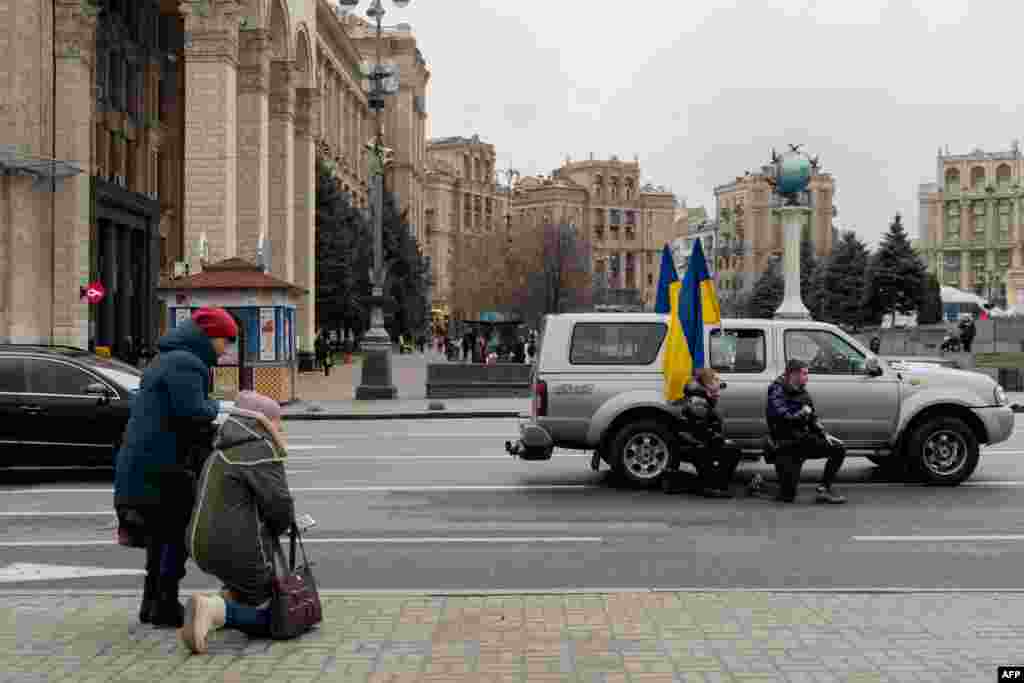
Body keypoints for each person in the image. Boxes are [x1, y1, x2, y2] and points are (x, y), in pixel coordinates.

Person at [114, 307, 238, 628]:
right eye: (227, 340)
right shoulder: (186, 363)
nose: (228, 349)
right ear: (210, 338)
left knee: (159, 539)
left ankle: (151, 604)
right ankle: (165, 606)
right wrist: (219, 405)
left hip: (148, 465)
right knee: (173, 537)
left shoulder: (168, 359)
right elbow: (193, 412)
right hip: (166, 467)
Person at [179, 391, 296, 654]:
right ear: (262, 423)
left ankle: (216, 606)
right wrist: (279, 528)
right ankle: (215, 610)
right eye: (277, 421)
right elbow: (279, 507)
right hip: (235, 546)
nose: (281, 427)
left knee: (245, 589)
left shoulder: (220, 449)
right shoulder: (260, 450)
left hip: (199, 543)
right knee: (276, 619)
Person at [758, 359, 847, 504]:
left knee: (839, 448)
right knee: (787, 496)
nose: (807, 377)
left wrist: (823, 433)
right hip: (785, 446)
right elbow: (783, 419)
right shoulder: (776, 391)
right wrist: (801, 413)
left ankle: (824, 490)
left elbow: (812, 417)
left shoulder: (802, 390)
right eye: (804, 373)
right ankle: (759, 485)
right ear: (793, 374)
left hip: (803, 441)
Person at [661, 368, 742, 498]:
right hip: (695, 447)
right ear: (707, 384)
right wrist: (720, 439)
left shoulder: (702, 398)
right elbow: (702, 431)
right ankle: (713, 486)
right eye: (715, 379)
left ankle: (715, 484)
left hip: (696, 444)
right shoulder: (698, 402)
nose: (719, 382)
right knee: (732, 450)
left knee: (729, 448)